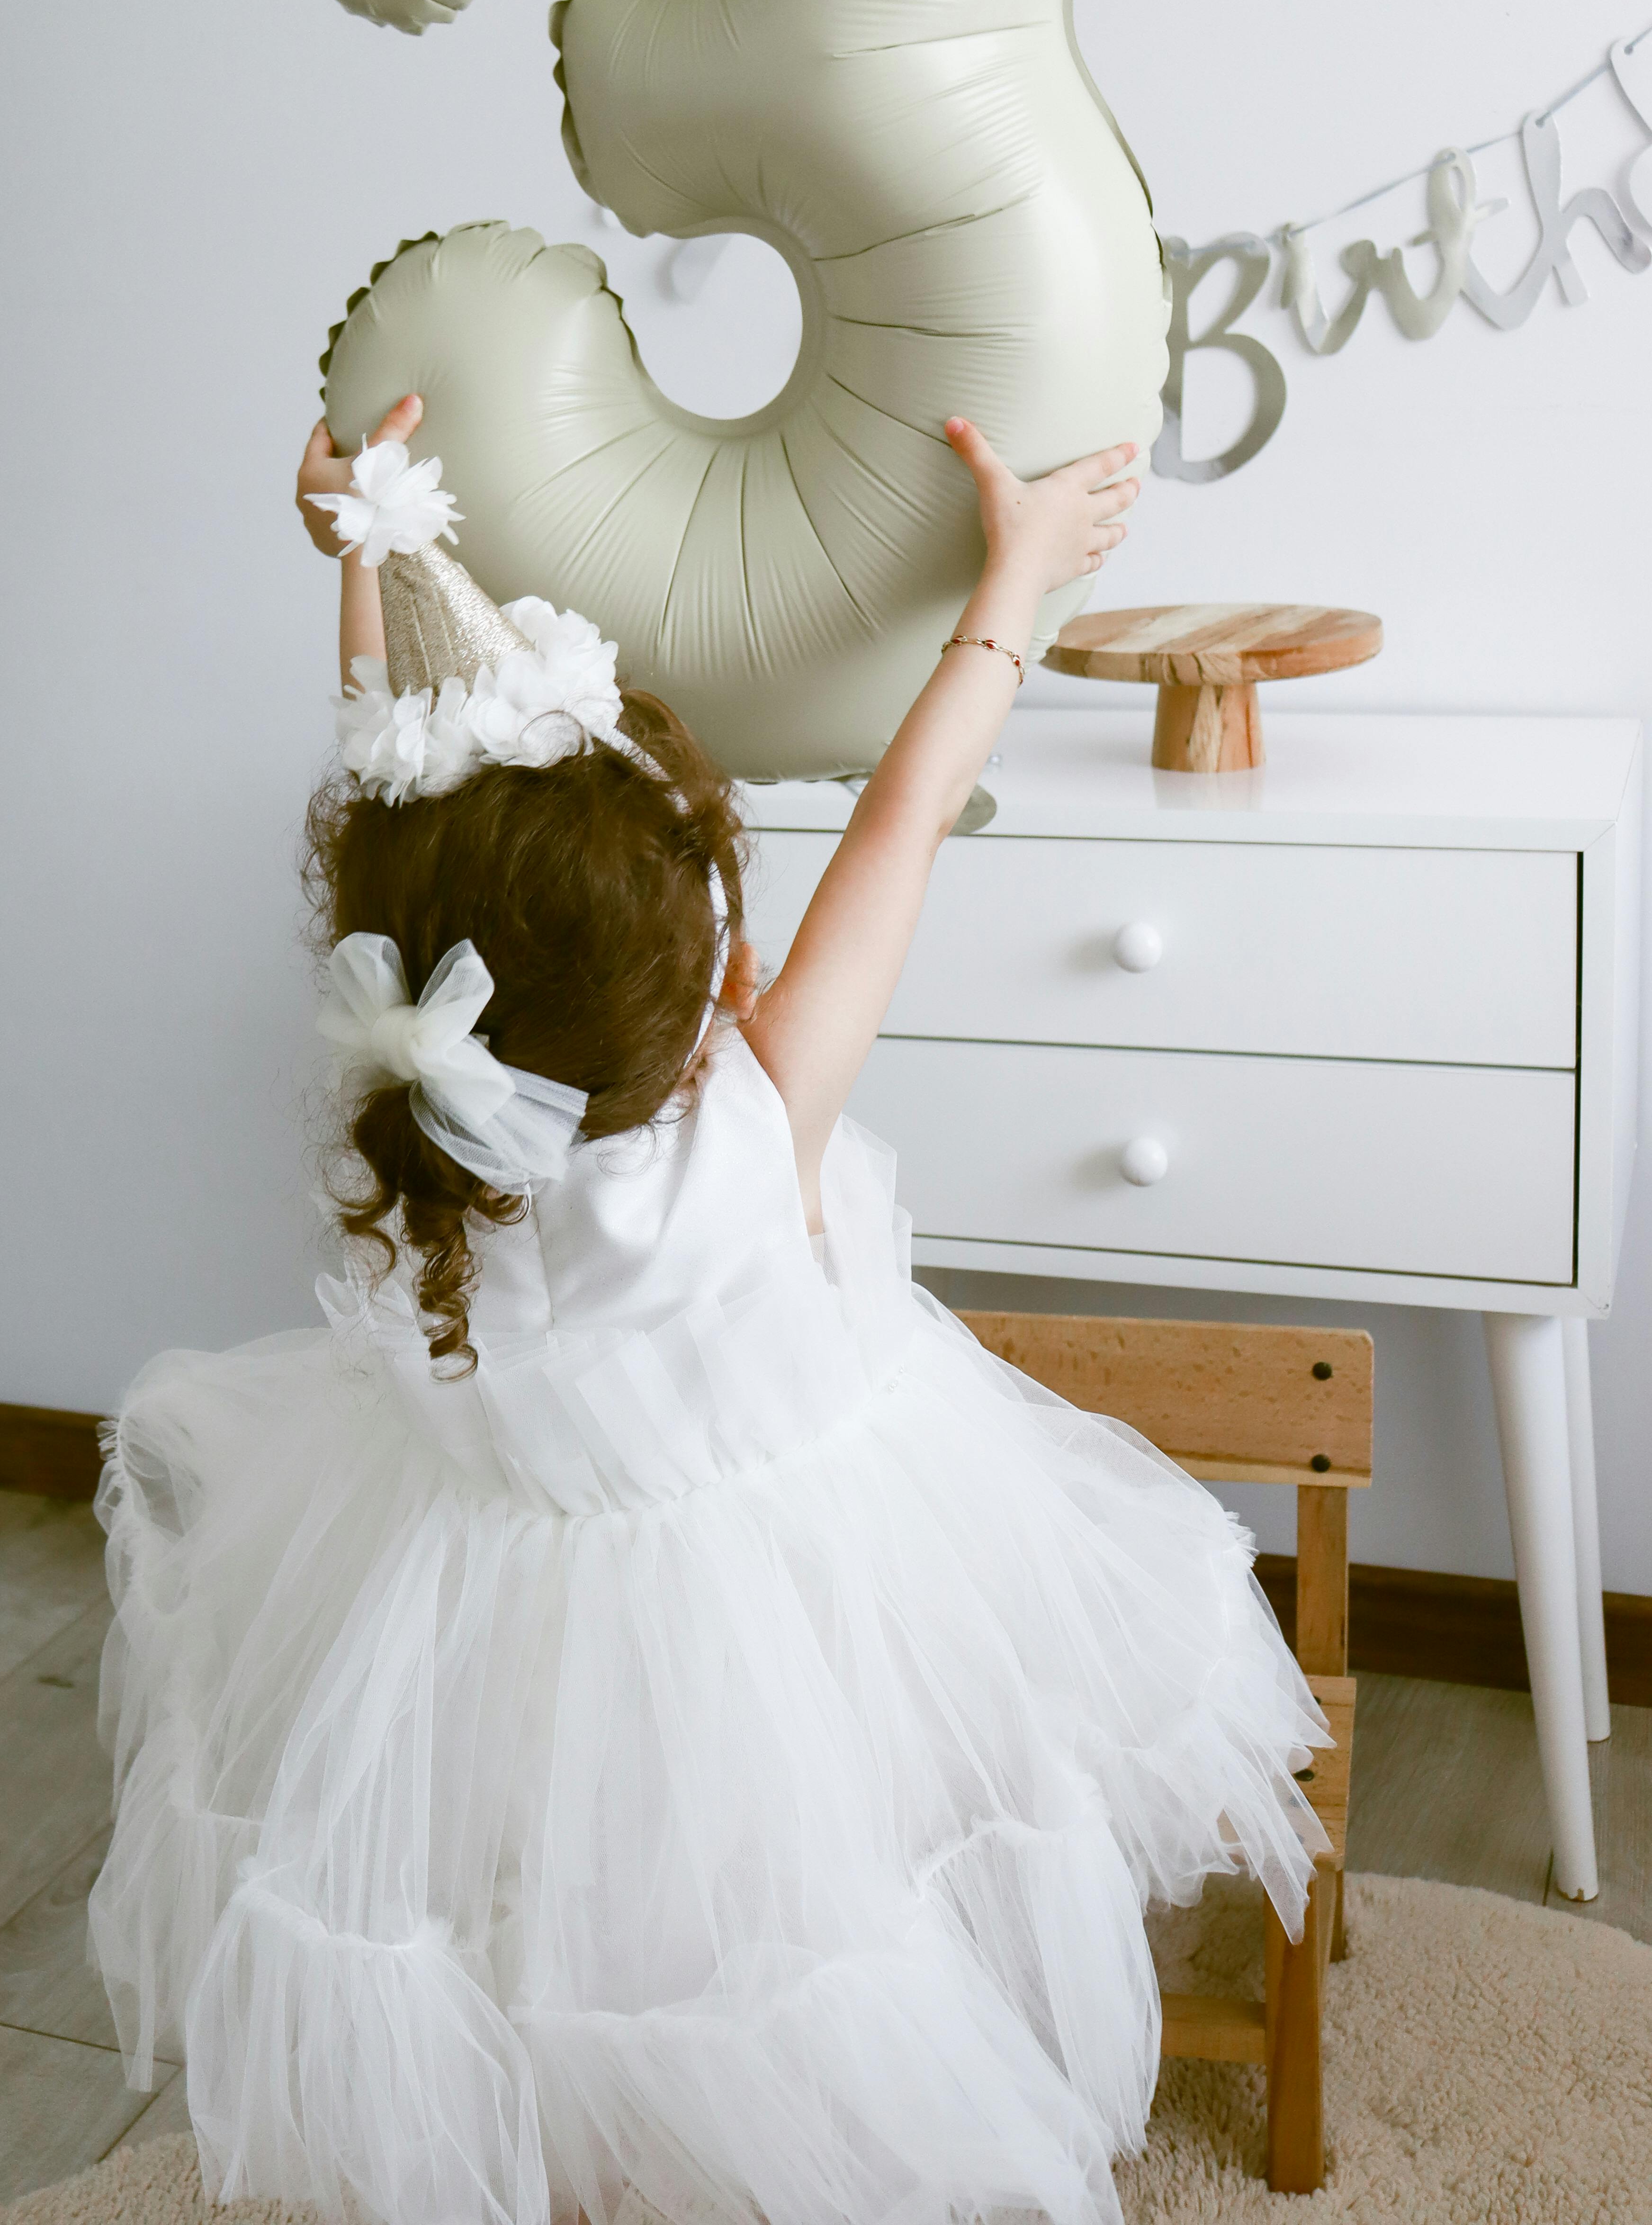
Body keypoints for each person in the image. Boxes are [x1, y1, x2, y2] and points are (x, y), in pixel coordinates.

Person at [89, 394, 1328, 2225]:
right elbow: (914, 810)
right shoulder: (749, 1127)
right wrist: (1022, 575)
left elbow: (395, 792)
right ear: (718, 982)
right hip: (809, 1620)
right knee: (823, 1938)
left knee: (551, 1945)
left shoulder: (420, 1132)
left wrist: (373, 554)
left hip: (496, 1636)